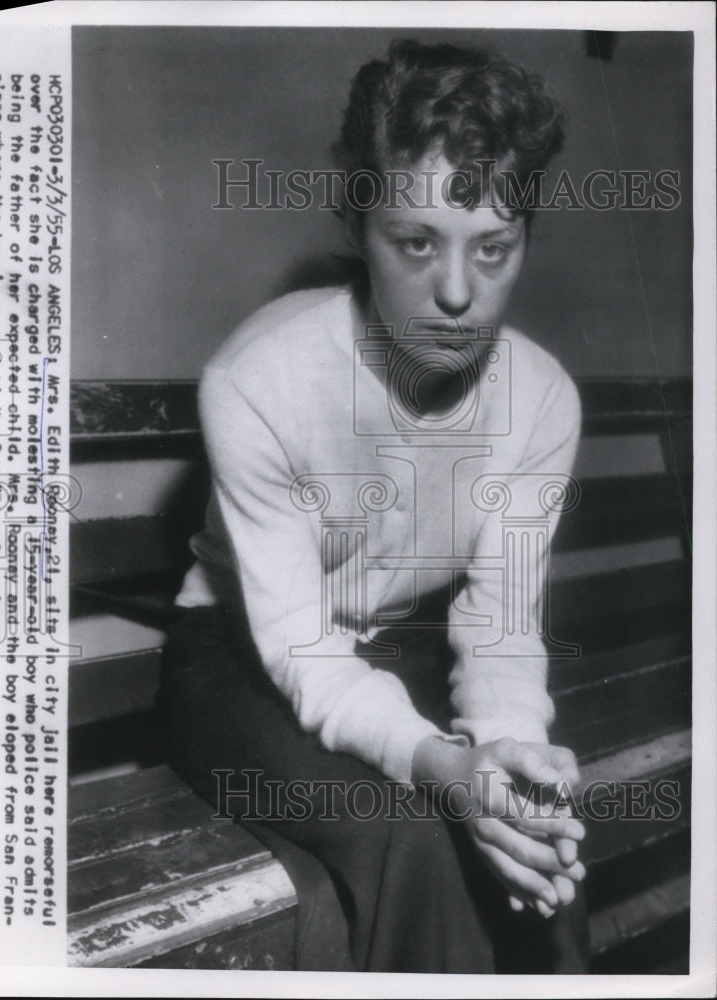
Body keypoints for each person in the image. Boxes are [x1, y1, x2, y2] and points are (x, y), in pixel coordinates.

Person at [159, 38, 589, 973]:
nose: (456, 293)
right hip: (237, 664)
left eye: (494, 248)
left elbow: (503, 634)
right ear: (358, 228)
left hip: (401, 649)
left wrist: (506, 762)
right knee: (412, 832)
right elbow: (305, 652)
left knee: (538, 830)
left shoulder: (543, 399)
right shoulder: (260, 377)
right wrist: (440, 767)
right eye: (416, 242)